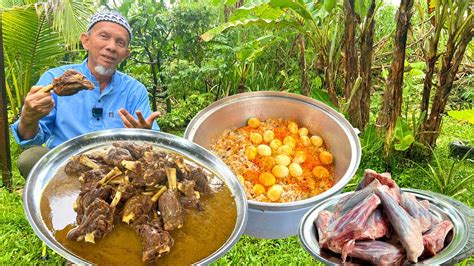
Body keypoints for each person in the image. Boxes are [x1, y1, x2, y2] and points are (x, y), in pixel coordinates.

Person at [11, 11, 161, 177]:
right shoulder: (55, 79)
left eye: (120, 42)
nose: (111, 46)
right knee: (29, 158)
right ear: (86, 41)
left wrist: (146, 136)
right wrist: (28, 118)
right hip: (66, 165)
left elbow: (153, 144)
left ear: (125, 54)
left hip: (116, 171)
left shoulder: (134, 90)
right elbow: (31, 138)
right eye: (104, 36)